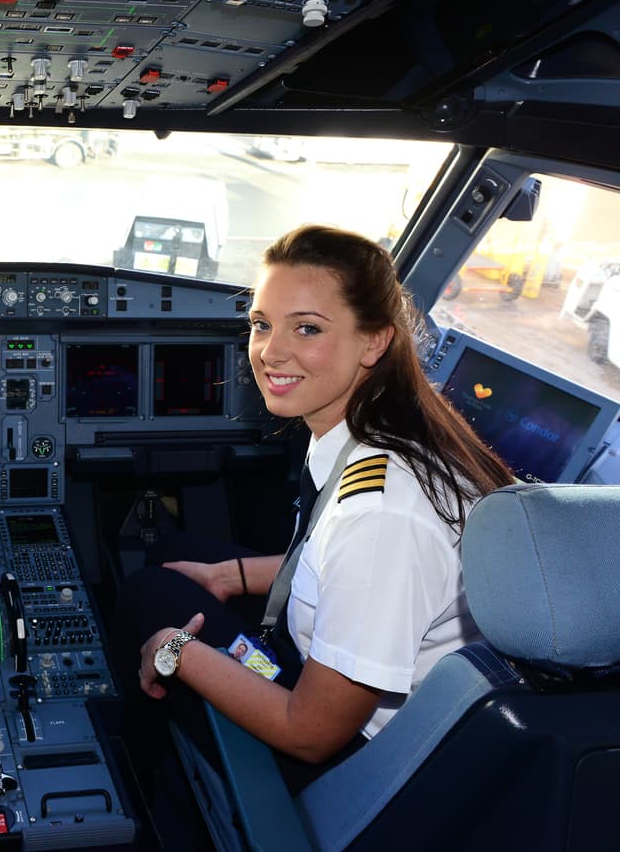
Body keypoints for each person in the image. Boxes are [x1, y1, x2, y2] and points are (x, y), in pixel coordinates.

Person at [113, 224, 514, 794]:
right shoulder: (386, 433)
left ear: (374, 341)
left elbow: (312, 732)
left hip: (359, 758)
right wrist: (233, 575)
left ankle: (142, 789)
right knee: (179, 554)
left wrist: (176, 651)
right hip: (344, 680)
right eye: (261, 324)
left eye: (307, 329)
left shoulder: (383, 516)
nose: (271, 352)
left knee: (145, 599)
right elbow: (332, 563)